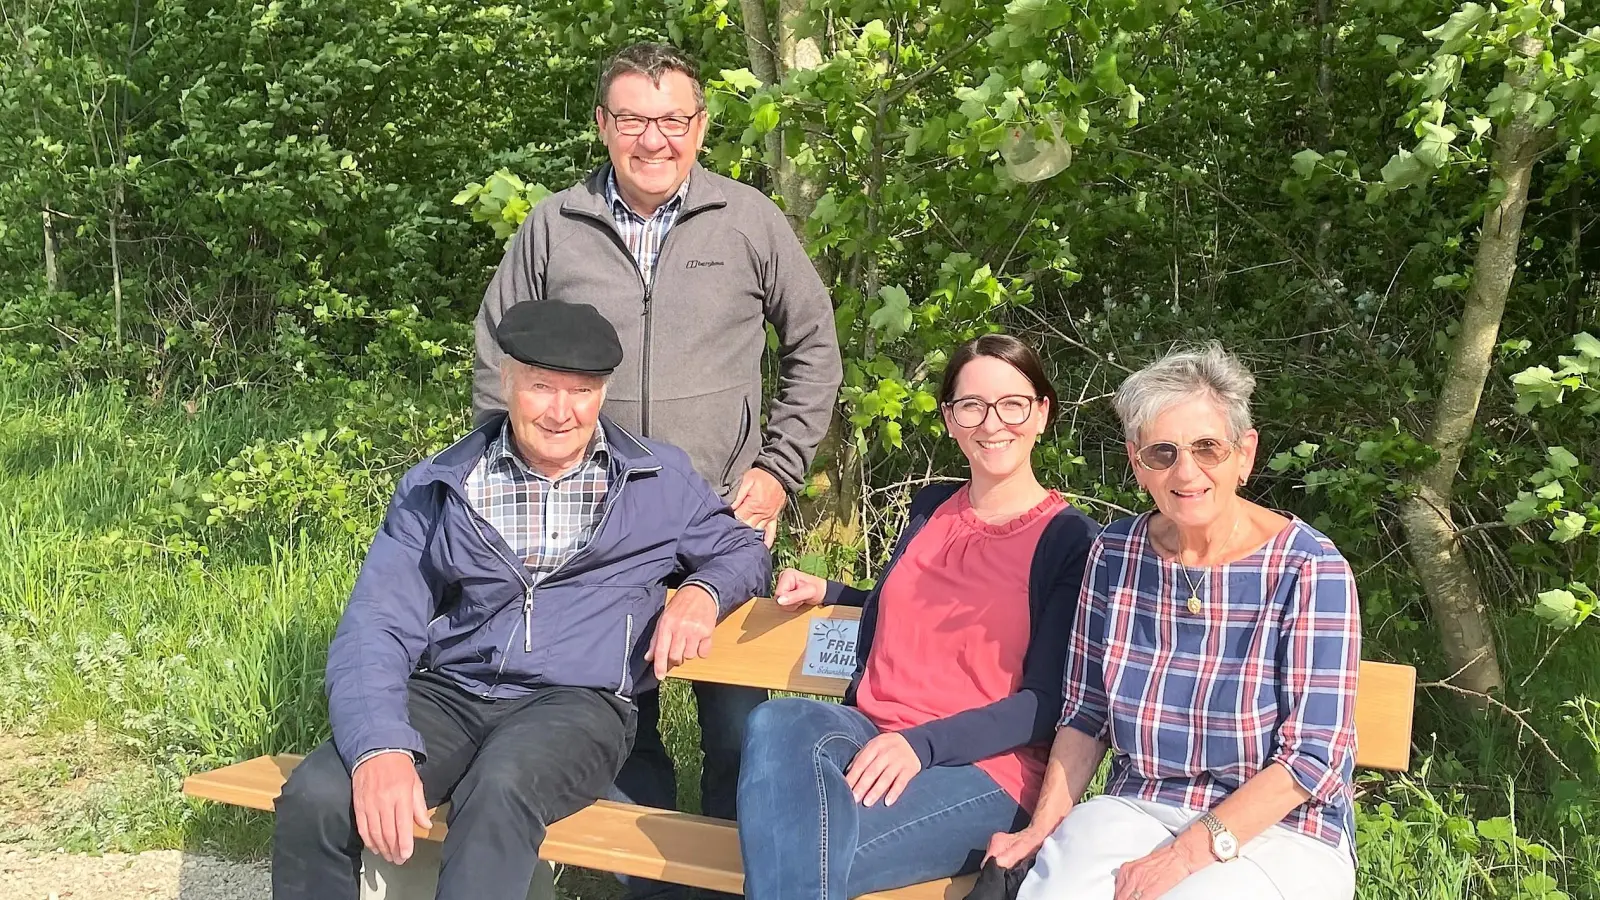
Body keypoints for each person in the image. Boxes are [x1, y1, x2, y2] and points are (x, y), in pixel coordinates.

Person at [470, 43, 842, 874]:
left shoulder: (748, 220)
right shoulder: (554, 226)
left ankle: (737, 876)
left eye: (673, 120)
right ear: (603, 125)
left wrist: (778, 468)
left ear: (701, 128)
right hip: (590, 525)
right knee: (610, 709)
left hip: (723, 519)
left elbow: (815, 345)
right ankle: (649, 884)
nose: (654, 140)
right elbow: (500, 361)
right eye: (634, 119)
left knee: (738, 725)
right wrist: (523, 485)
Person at [272, 300, 771, 900]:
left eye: (582, 392)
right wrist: (379, 744)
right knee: (320, 794)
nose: (562, 413)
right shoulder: (443, 484)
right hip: (453, 691)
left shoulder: (656, 480)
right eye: (542, 388)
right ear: (506, 382)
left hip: (579, 704)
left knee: (501, 789)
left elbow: (743, 550)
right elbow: (376, 623)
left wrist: (702, 590)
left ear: (603, 393)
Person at [987, 344, 1362, 900]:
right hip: (1138, 805)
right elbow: (1087, 713)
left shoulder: (1309, 568)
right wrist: (1041, 830)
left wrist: (1181, 858)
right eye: (1163, 453)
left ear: (1245, 454)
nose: (1186, 472)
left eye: (1207, 448)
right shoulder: (1114, 555)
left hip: (1283, 830)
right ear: (1138, 463)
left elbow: (1313, 758)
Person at [735, 334, 1101, 899]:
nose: (991, 422)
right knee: (778, 721)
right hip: (868, 735)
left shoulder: (1069, 540)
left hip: (984, 770)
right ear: (952, 420)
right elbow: (916, 604)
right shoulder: (930, 507)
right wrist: (834, 592)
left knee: (798, 845)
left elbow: (1046, 704)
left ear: (1042, 413)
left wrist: (921, 745)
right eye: (971, 406)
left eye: (1012, 403)